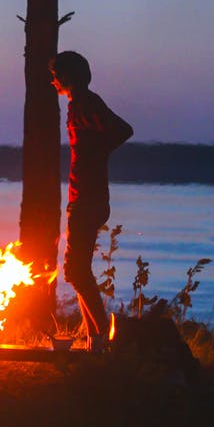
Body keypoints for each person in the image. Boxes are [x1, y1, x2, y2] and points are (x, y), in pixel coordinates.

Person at [51, 51, 133, 352]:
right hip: (81, 196)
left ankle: (99, 339)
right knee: (76, 270)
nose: (52, 79)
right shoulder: (77, 105)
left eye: (56, 73)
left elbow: (123, 130)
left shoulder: (86, 103)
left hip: (89, 197)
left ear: (67, 76)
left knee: (75, 270)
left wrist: (98, 153)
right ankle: (94, 339)